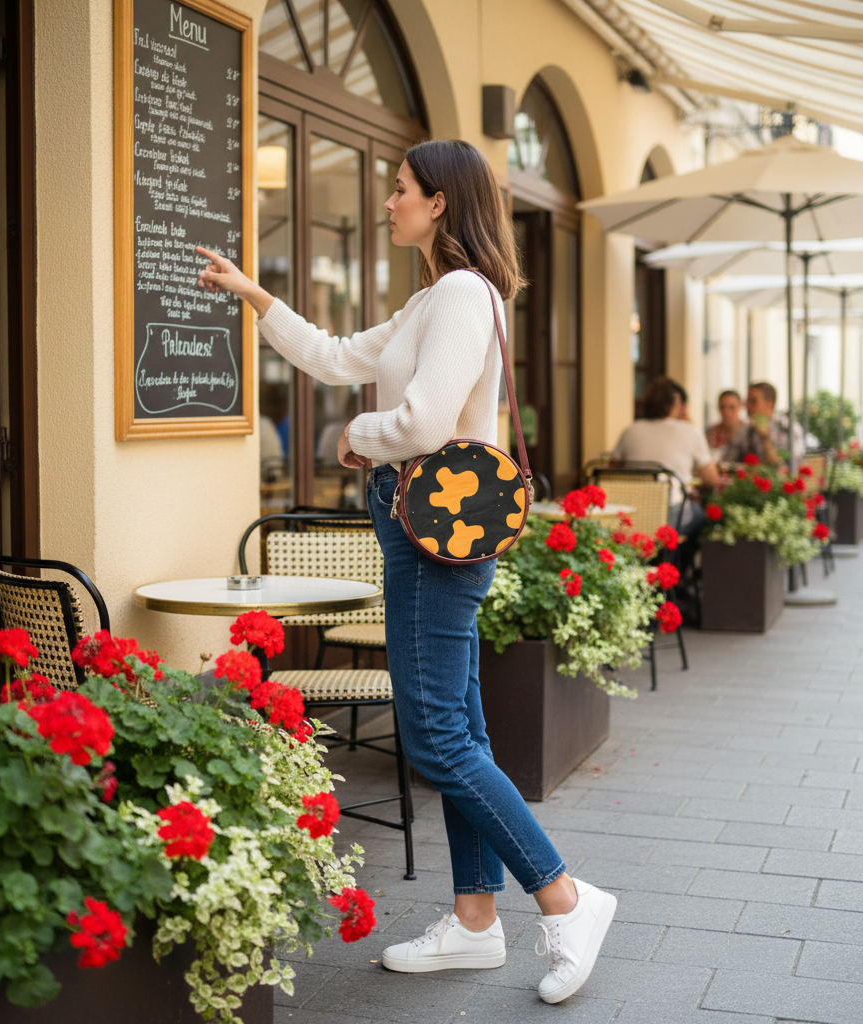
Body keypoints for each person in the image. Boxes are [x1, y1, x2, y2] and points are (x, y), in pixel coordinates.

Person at [196, 139, 616, 1006]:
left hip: (431, 533)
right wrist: (253, 296)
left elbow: (423, 422)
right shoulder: (435, 297)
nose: (388, 202)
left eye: (400, 191)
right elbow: (339, 353)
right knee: (459, 723)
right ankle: (472, 922)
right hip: (419, 527)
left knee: (434, 735)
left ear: (440, 204)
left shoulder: (462, 294)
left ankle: (567, 898)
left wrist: (355, 438)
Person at [612, 376, 720, 533]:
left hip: (631, 513)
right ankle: (681, 557)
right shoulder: (690, 431)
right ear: (677, 404)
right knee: (701, 516)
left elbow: (614, 471)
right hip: (670, 515)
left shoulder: (630, 430)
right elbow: (711, 478)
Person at [722, 381, 804, 469]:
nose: (748, 406)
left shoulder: (787, 428)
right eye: (747, 401)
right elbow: (728, 461)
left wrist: (764, 437)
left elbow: (787, 467)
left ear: (770, 403)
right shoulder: (744, 429)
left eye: (753, 401)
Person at [706, 389, 743, 459]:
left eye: (731, 407)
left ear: (740, 407)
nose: (726, 412)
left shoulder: (748, 432)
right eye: (722, 407)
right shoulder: (711, 433)